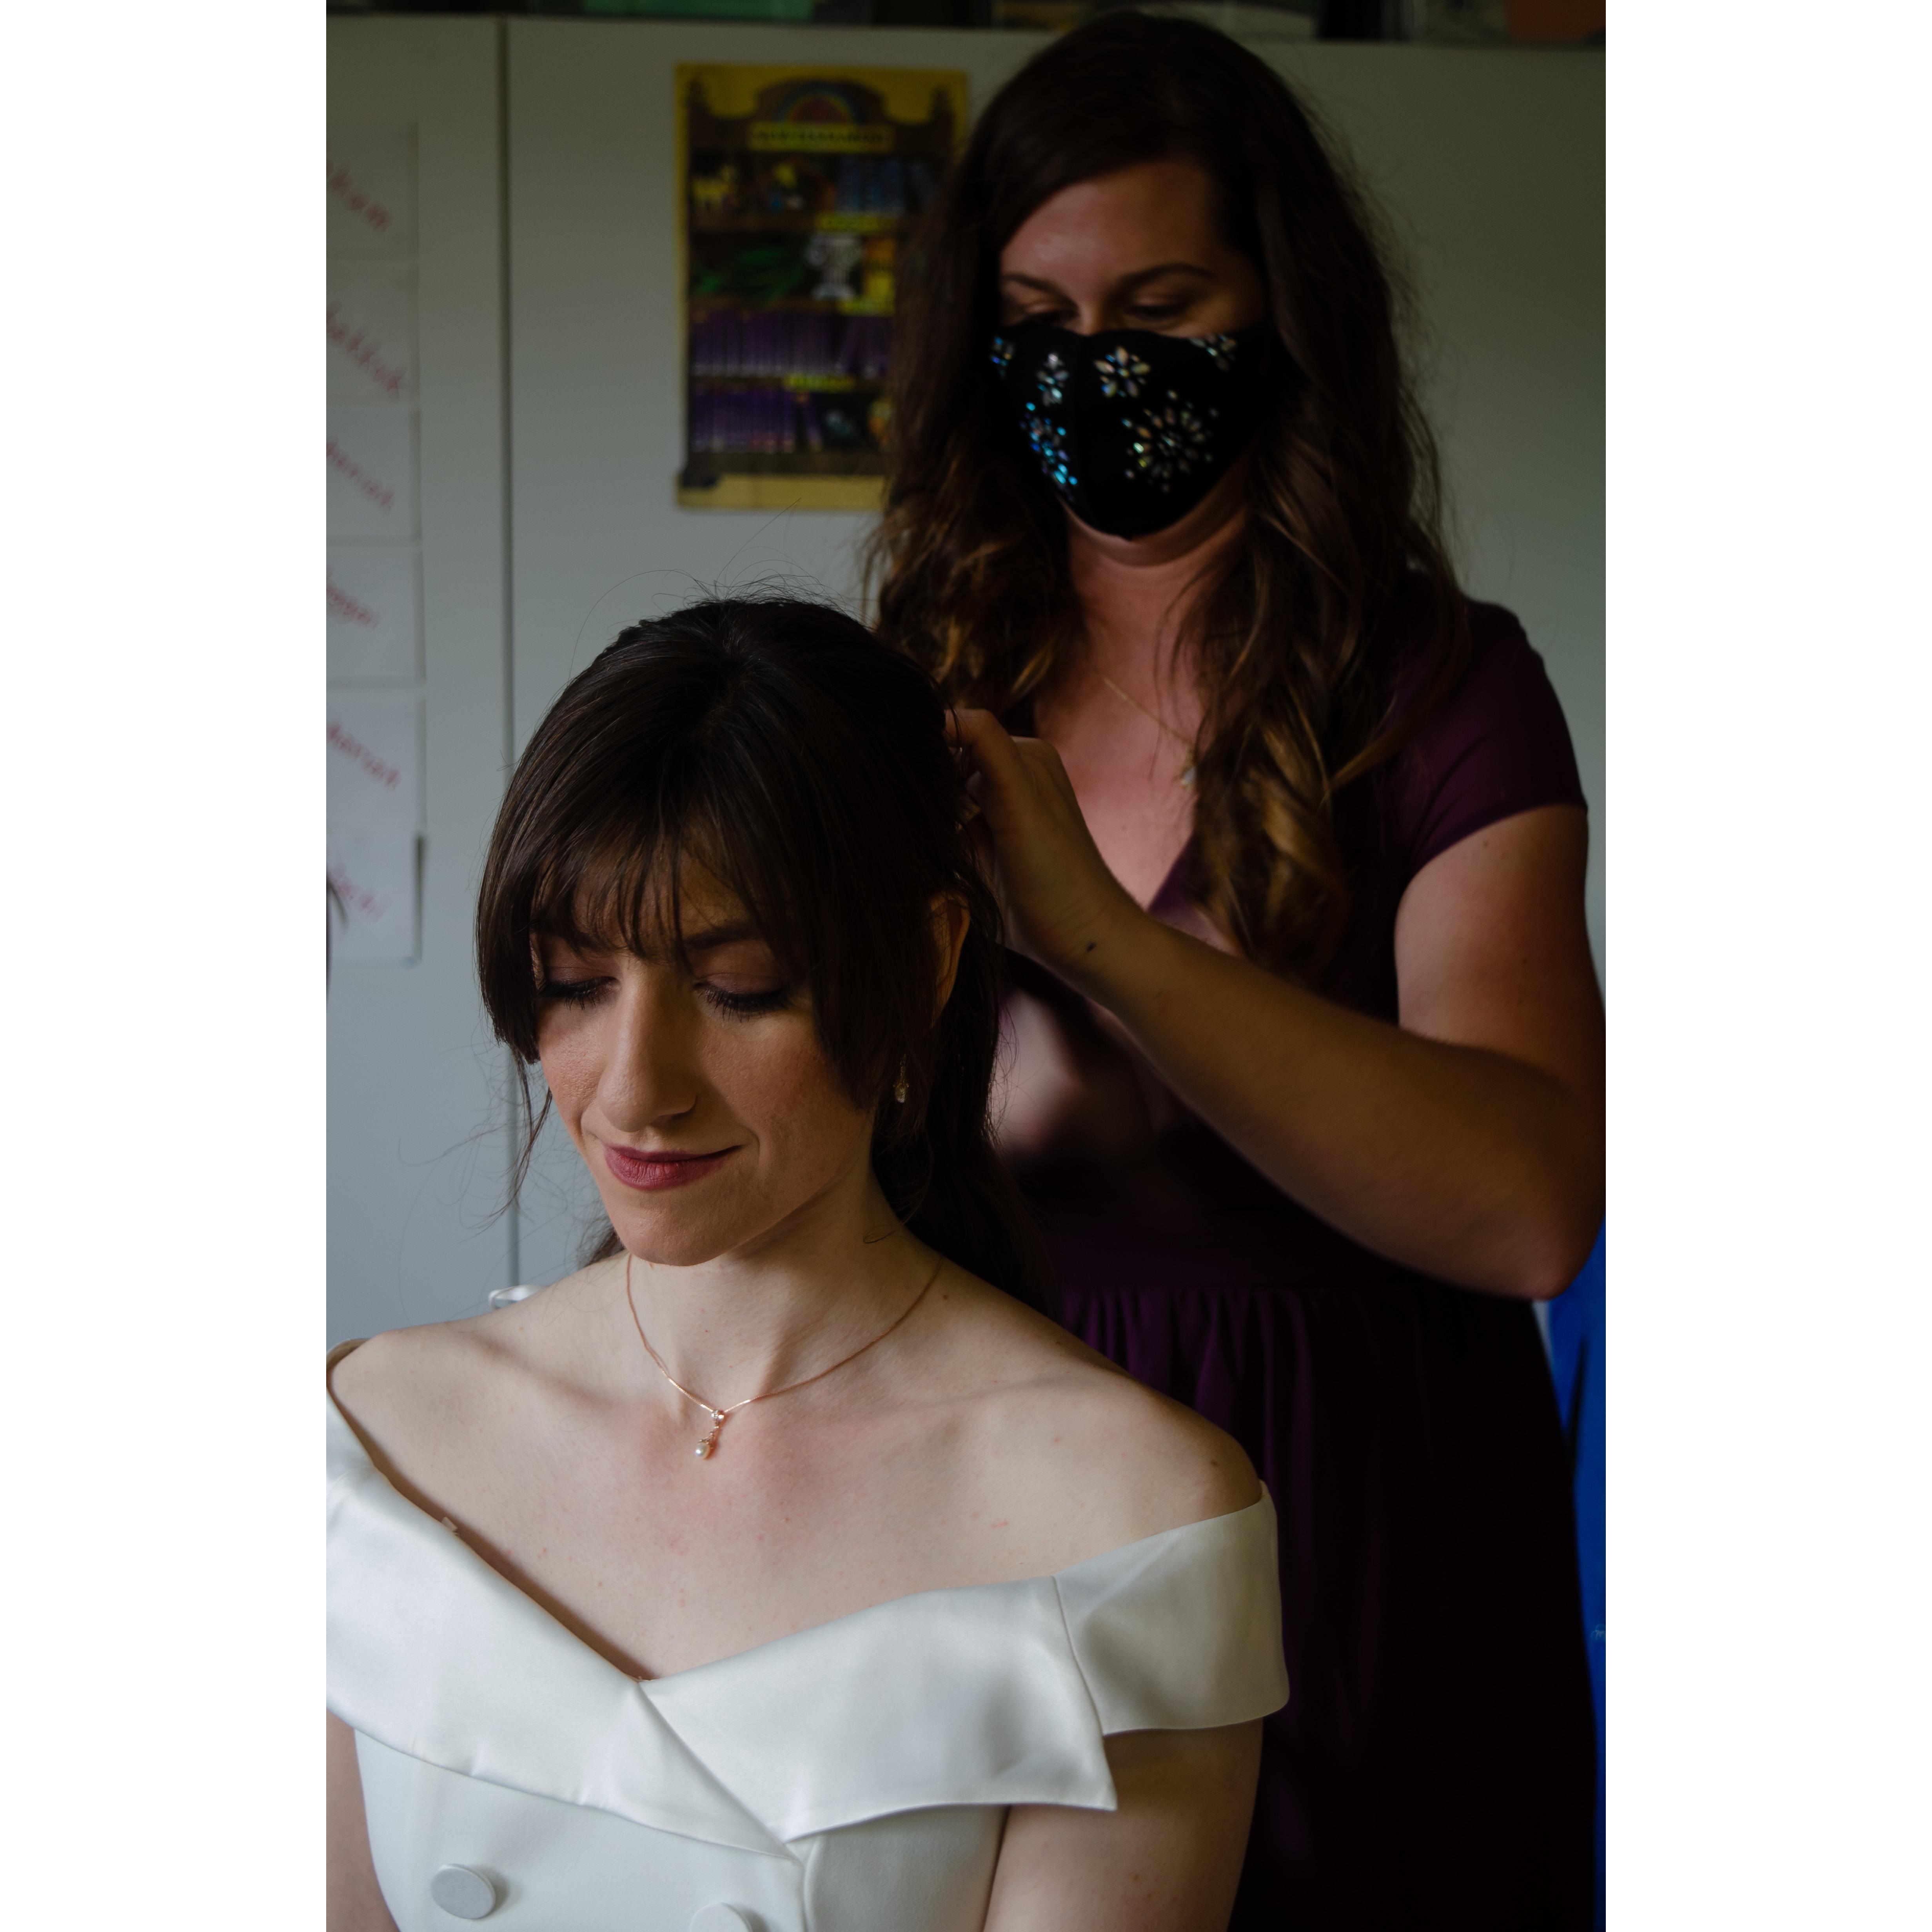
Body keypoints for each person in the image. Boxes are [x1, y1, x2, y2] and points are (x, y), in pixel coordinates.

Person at [870, 15, 1602, 1928]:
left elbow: (1527, 1202)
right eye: (1036, 317)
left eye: (1159, 302)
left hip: (1358, 1513)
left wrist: (1097, 949)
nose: (1094, 370)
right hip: (1000, 1492)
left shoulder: (1440, 687)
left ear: (1279, 309)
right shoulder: (925, 674)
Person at [326, 597, 1289, 1932]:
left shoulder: (1132, 1521)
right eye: (573, 982)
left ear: (928, 961)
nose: (634, 1091)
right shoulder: (367, 1444)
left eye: (741, 986)